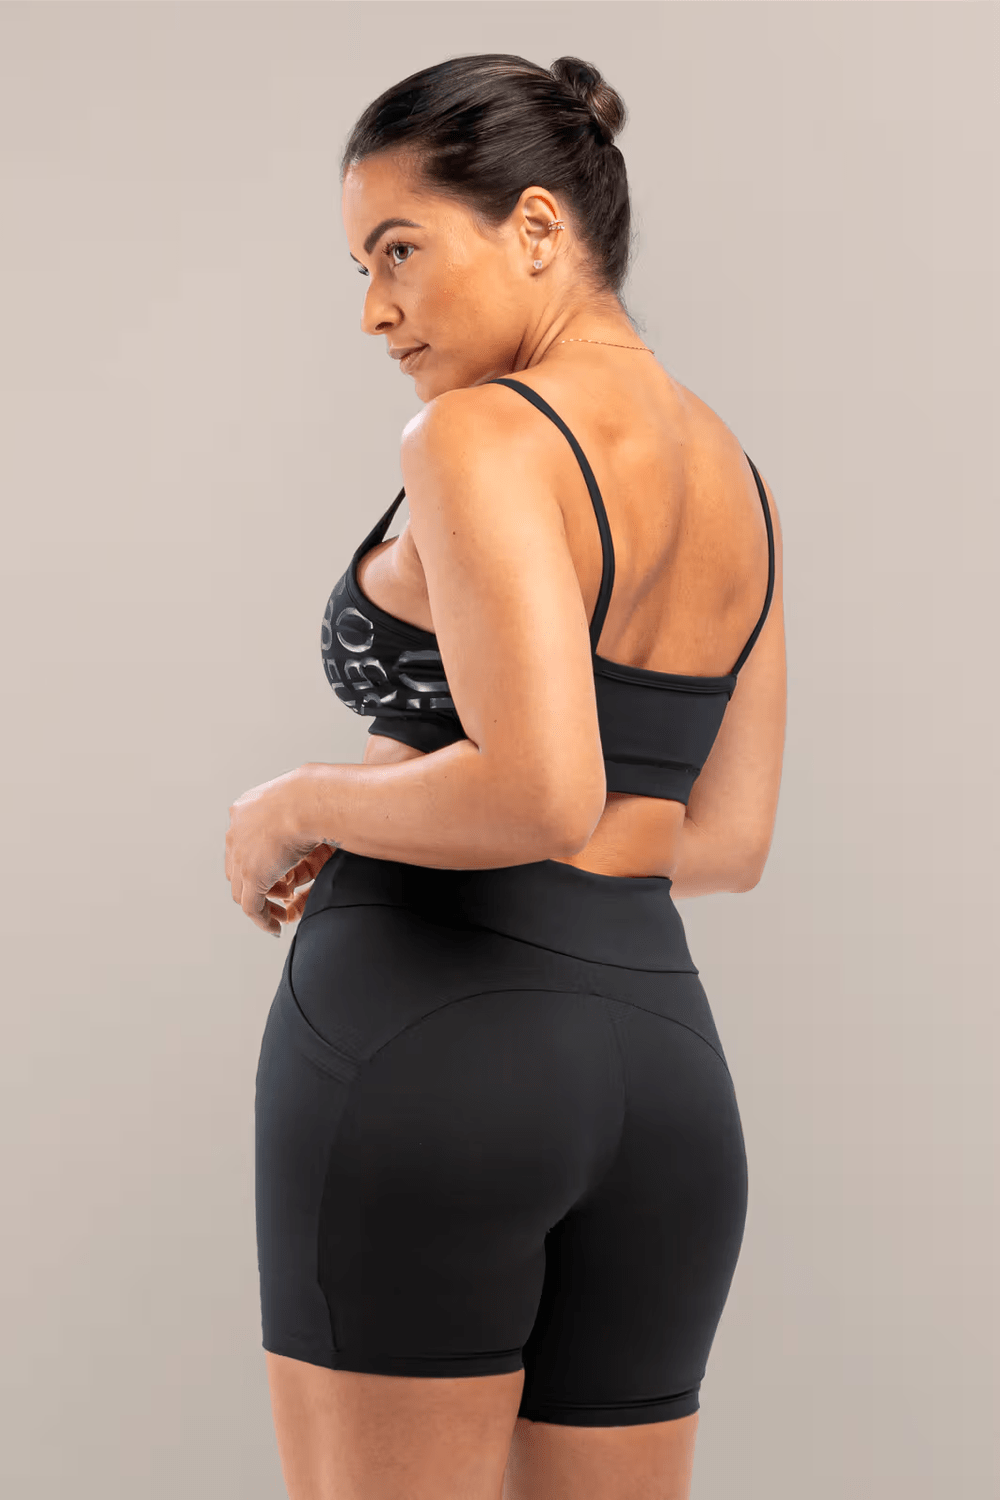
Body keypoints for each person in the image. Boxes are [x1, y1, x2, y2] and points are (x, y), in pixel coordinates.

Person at [225, 51, 786, 1500]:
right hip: (663, 1079)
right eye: (363, 267)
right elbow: (729, 837)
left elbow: (537, 790)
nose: (375, 308)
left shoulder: (477, 433)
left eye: (398, 250)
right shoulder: (735, 476)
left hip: (429, 1048)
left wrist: (299, 804)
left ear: (536, 227)